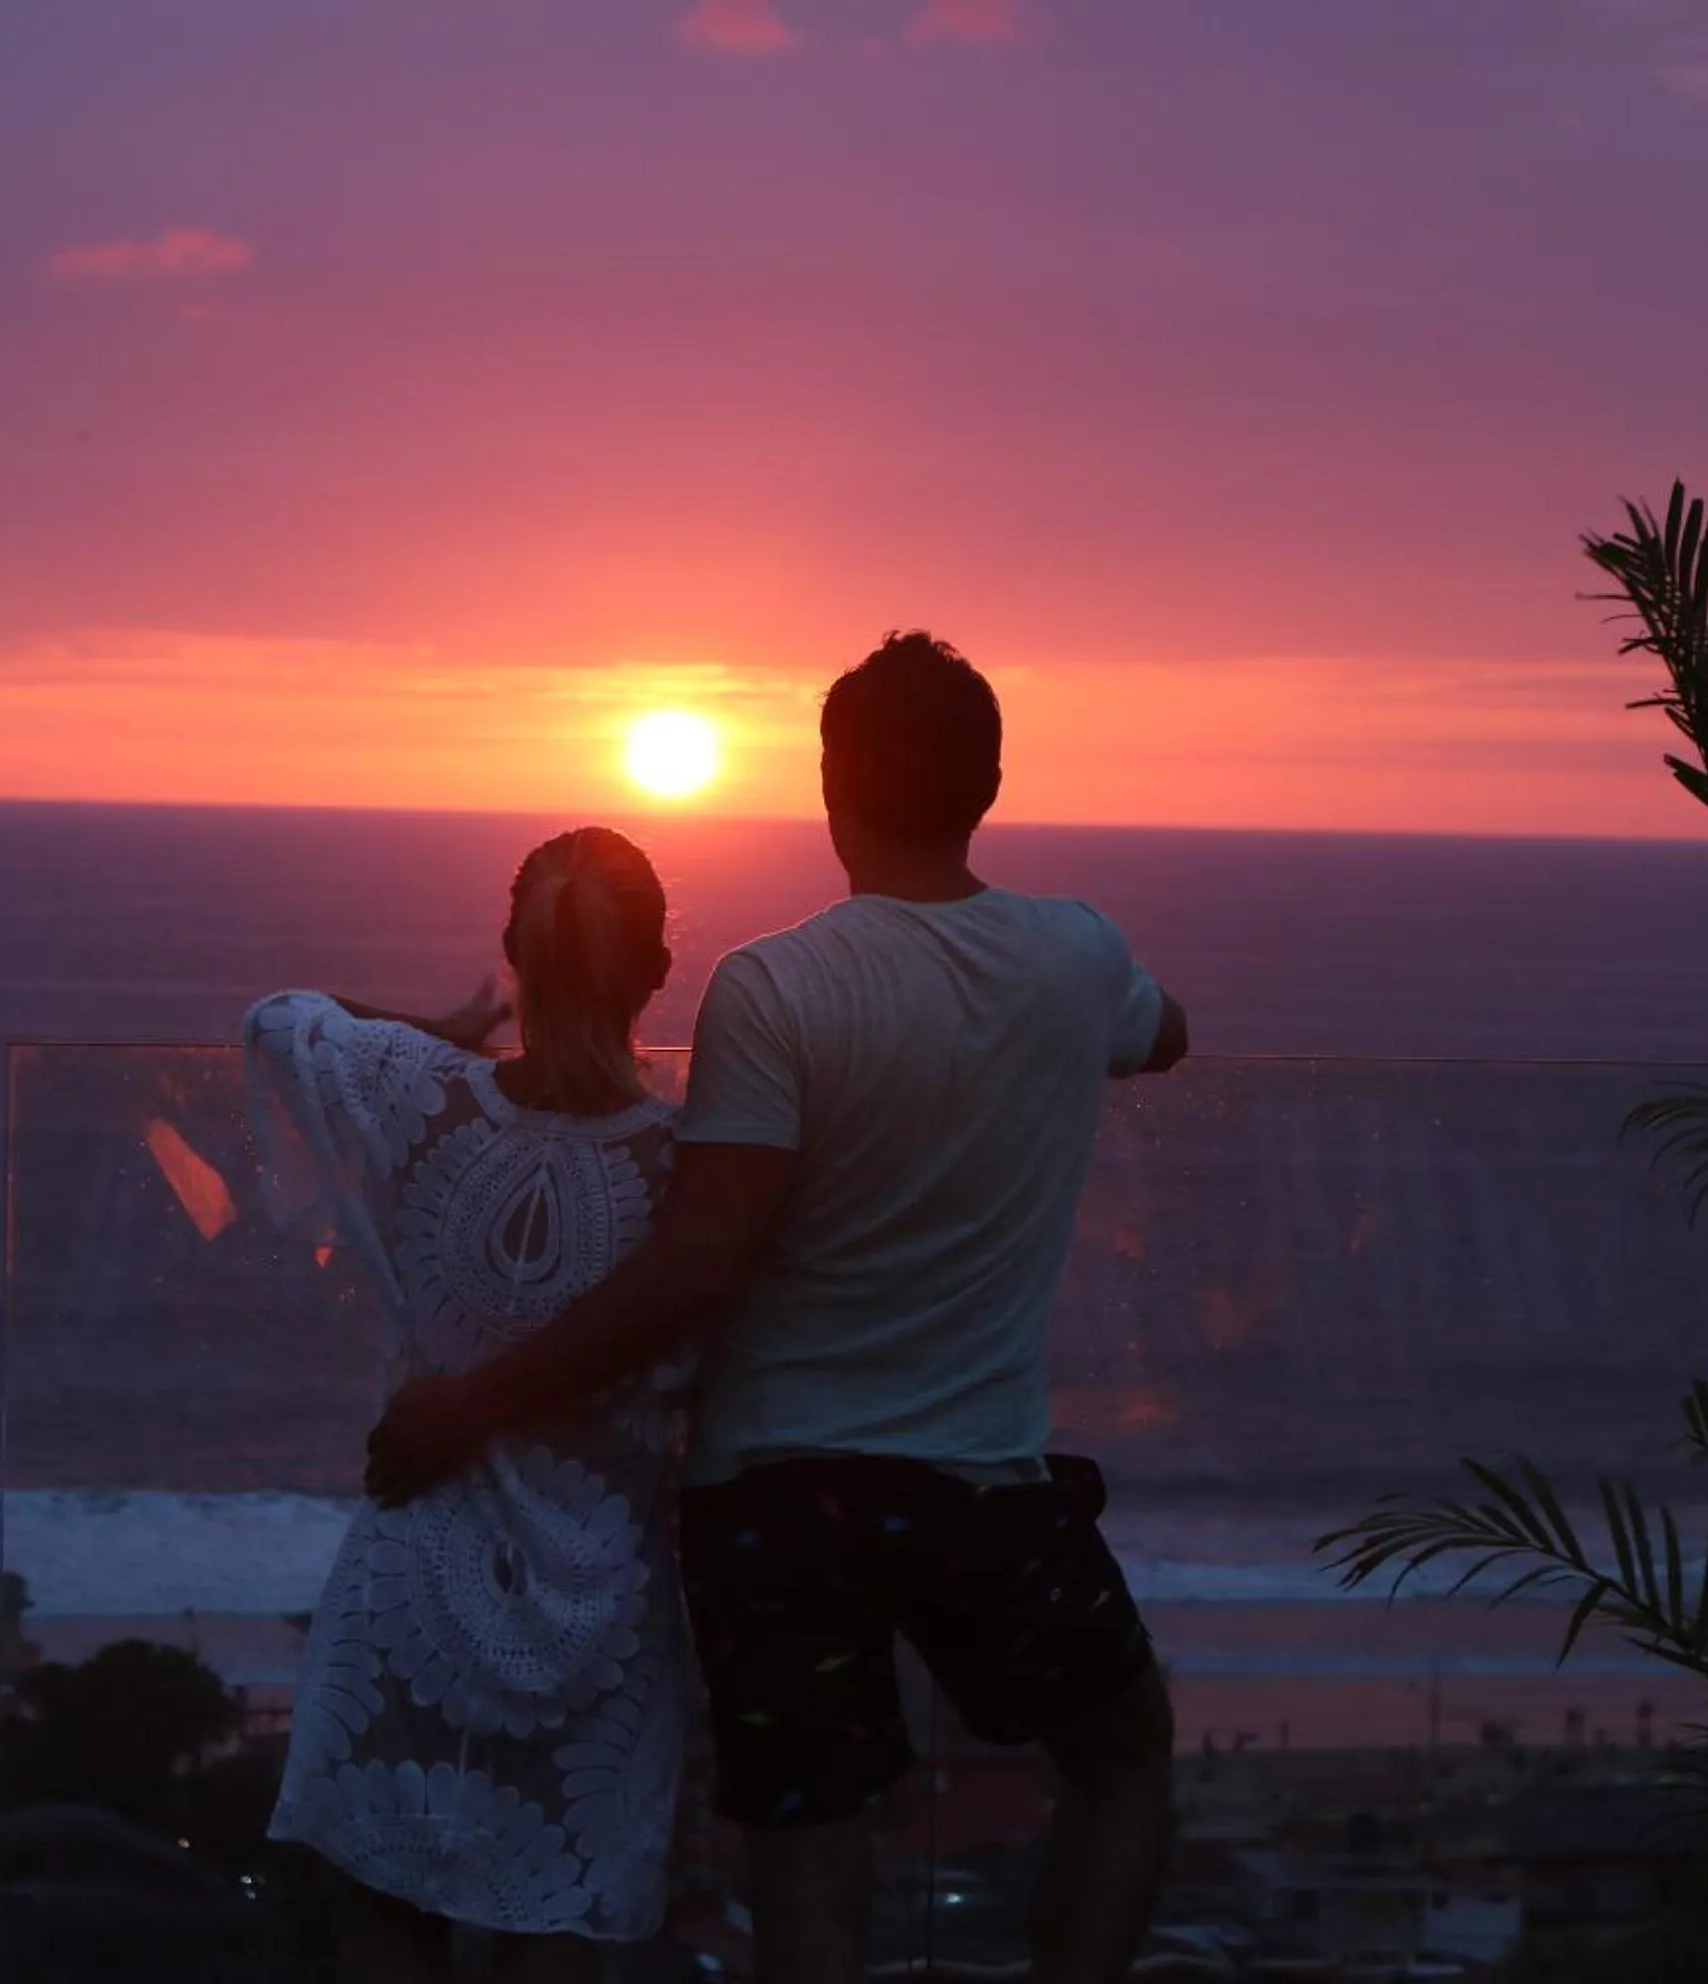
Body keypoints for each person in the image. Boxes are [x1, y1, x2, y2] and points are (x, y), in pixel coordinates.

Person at [370, 632, 1190, 1984]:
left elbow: (701, 1263)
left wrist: (473, 1404)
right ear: (991, 785)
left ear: (832, 788)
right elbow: (1165, 1036)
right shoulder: (1078, 956)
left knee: (812, 1862)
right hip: (978, 1486)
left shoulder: (774, 984)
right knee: (1121, 1757)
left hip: (776, 1497)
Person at [243, 826, 689, 1984]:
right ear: (657, 971)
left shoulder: (427, 1097)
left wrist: (436, 1030)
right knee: (556, 1935)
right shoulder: (687, 1167)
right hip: (601, 1611)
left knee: (387, 1930)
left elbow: (281, 1017)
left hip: (414, 1579)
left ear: (513, 955)